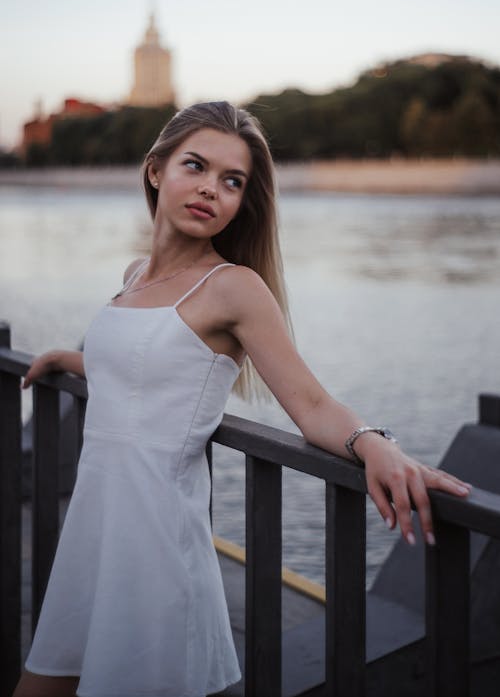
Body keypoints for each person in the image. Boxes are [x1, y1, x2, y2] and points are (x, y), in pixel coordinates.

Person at [14, 101, 471, 697]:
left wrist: (374, 443)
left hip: (155, 546)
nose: (211, 189)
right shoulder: (134, 275)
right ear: (157, 170)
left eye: (232, 181)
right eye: (196, 166)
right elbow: (143, 366)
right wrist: (72, 361)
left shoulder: (234, 288)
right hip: (93, 533)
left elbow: (309, 404)